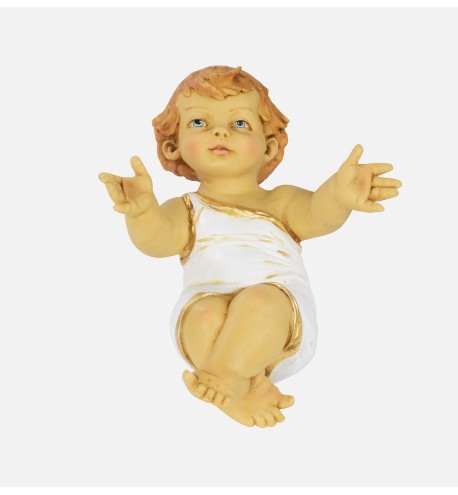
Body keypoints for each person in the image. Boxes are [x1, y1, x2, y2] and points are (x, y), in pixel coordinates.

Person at [98, 65, 402, 428]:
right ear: (173, 145)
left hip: (279, 316)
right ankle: (237, 386)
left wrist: (338, 193)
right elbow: (157, 241)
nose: (220, 132)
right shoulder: (186, 209)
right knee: (204, 315)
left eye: (240, 123)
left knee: (259, 300)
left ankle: (224, 378)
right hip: (204, 312)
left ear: (268, 146)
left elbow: (318, 214)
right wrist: (143, 212)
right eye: (199, 122)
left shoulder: (281, 201)